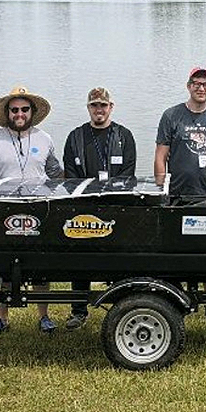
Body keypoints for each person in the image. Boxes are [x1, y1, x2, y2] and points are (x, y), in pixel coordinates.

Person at [0, 86, 63, 334]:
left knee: (40, 267)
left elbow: (55, 173)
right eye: (14, 110)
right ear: (7, 113)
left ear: (32, 111)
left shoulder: (45, 139)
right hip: (2, 213)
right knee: (4, 266)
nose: (19, 114)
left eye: (24, 109)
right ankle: (1, 318)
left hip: (38, 211)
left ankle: (44, 316)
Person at [154, 67, 206, 318]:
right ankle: (178, 299)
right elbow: (161, 156)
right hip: (180, 194)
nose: (201, 88)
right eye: (196, 83)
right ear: (188, 86)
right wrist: (162, 190)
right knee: (180, 249)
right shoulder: (172, 116)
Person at [61, 86, 137, 330]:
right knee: (80, 258)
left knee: (120, 257)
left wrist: (112, 200)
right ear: (88, 108)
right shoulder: (75, 137)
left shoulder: (124, 136)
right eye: (94, 105)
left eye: (103, 105)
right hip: (84, 207)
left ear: (111, 107)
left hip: (116, 207)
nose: (99, 110)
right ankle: (78, 311)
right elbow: (70, 178)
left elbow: (128, 176)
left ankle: (121, 307)